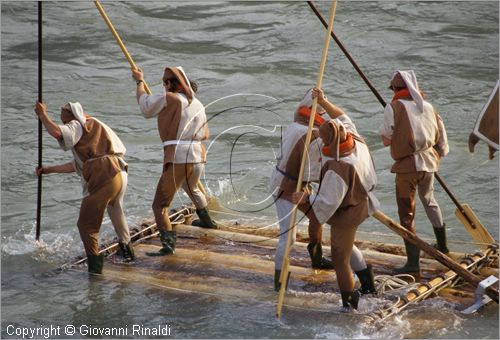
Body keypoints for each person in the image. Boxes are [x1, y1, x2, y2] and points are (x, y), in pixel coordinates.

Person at [269, 88, 376, 298]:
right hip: (285, 186)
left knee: (340, 243)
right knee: (288, 238)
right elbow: (321, 170)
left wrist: (324, 101)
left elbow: (324, 188)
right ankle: (279, 282)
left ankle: (355, 278)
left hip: (314, 188)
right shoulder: (332, 136)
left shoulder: (307, 129)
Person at [34, 101, 134, 274]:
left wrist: (43, 115)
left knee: (86, 226)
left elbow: (57, 132)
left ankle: (95, 269)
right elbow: (77, 165)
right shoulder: (91, 131)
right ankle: (127, 250)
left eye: (65, 121)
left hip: (105, 175)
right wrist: (48, 170)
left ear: (73, 117)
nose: (65, 124)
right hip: (119, 173)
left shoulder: (78, 125)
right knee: (115, 210)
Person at [131, 66, 217, 257]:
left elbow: (145, 107)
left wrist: (139, 82)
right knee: (192, 187)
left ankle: (168, 246)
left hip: (178, 156)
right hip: (198, 155)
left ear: (171, 84)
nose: (163, 86)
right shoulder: (198, 103)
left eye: (164, 82)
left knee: (159, 206)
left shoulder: (170, 98)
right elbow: (206, 133)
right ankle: (207, 220)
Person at [379, 70, 450, 274]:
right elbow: (443, 145)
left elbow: (386, 139)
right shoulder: (429, 107)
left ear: (396, 89)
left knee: (407, 213)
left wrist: (399, 134)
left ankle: (412, 263)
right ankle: (443, 245)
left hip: (407, 167)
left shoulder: (393, 107)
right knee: (429, 200)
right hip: (429, 163)